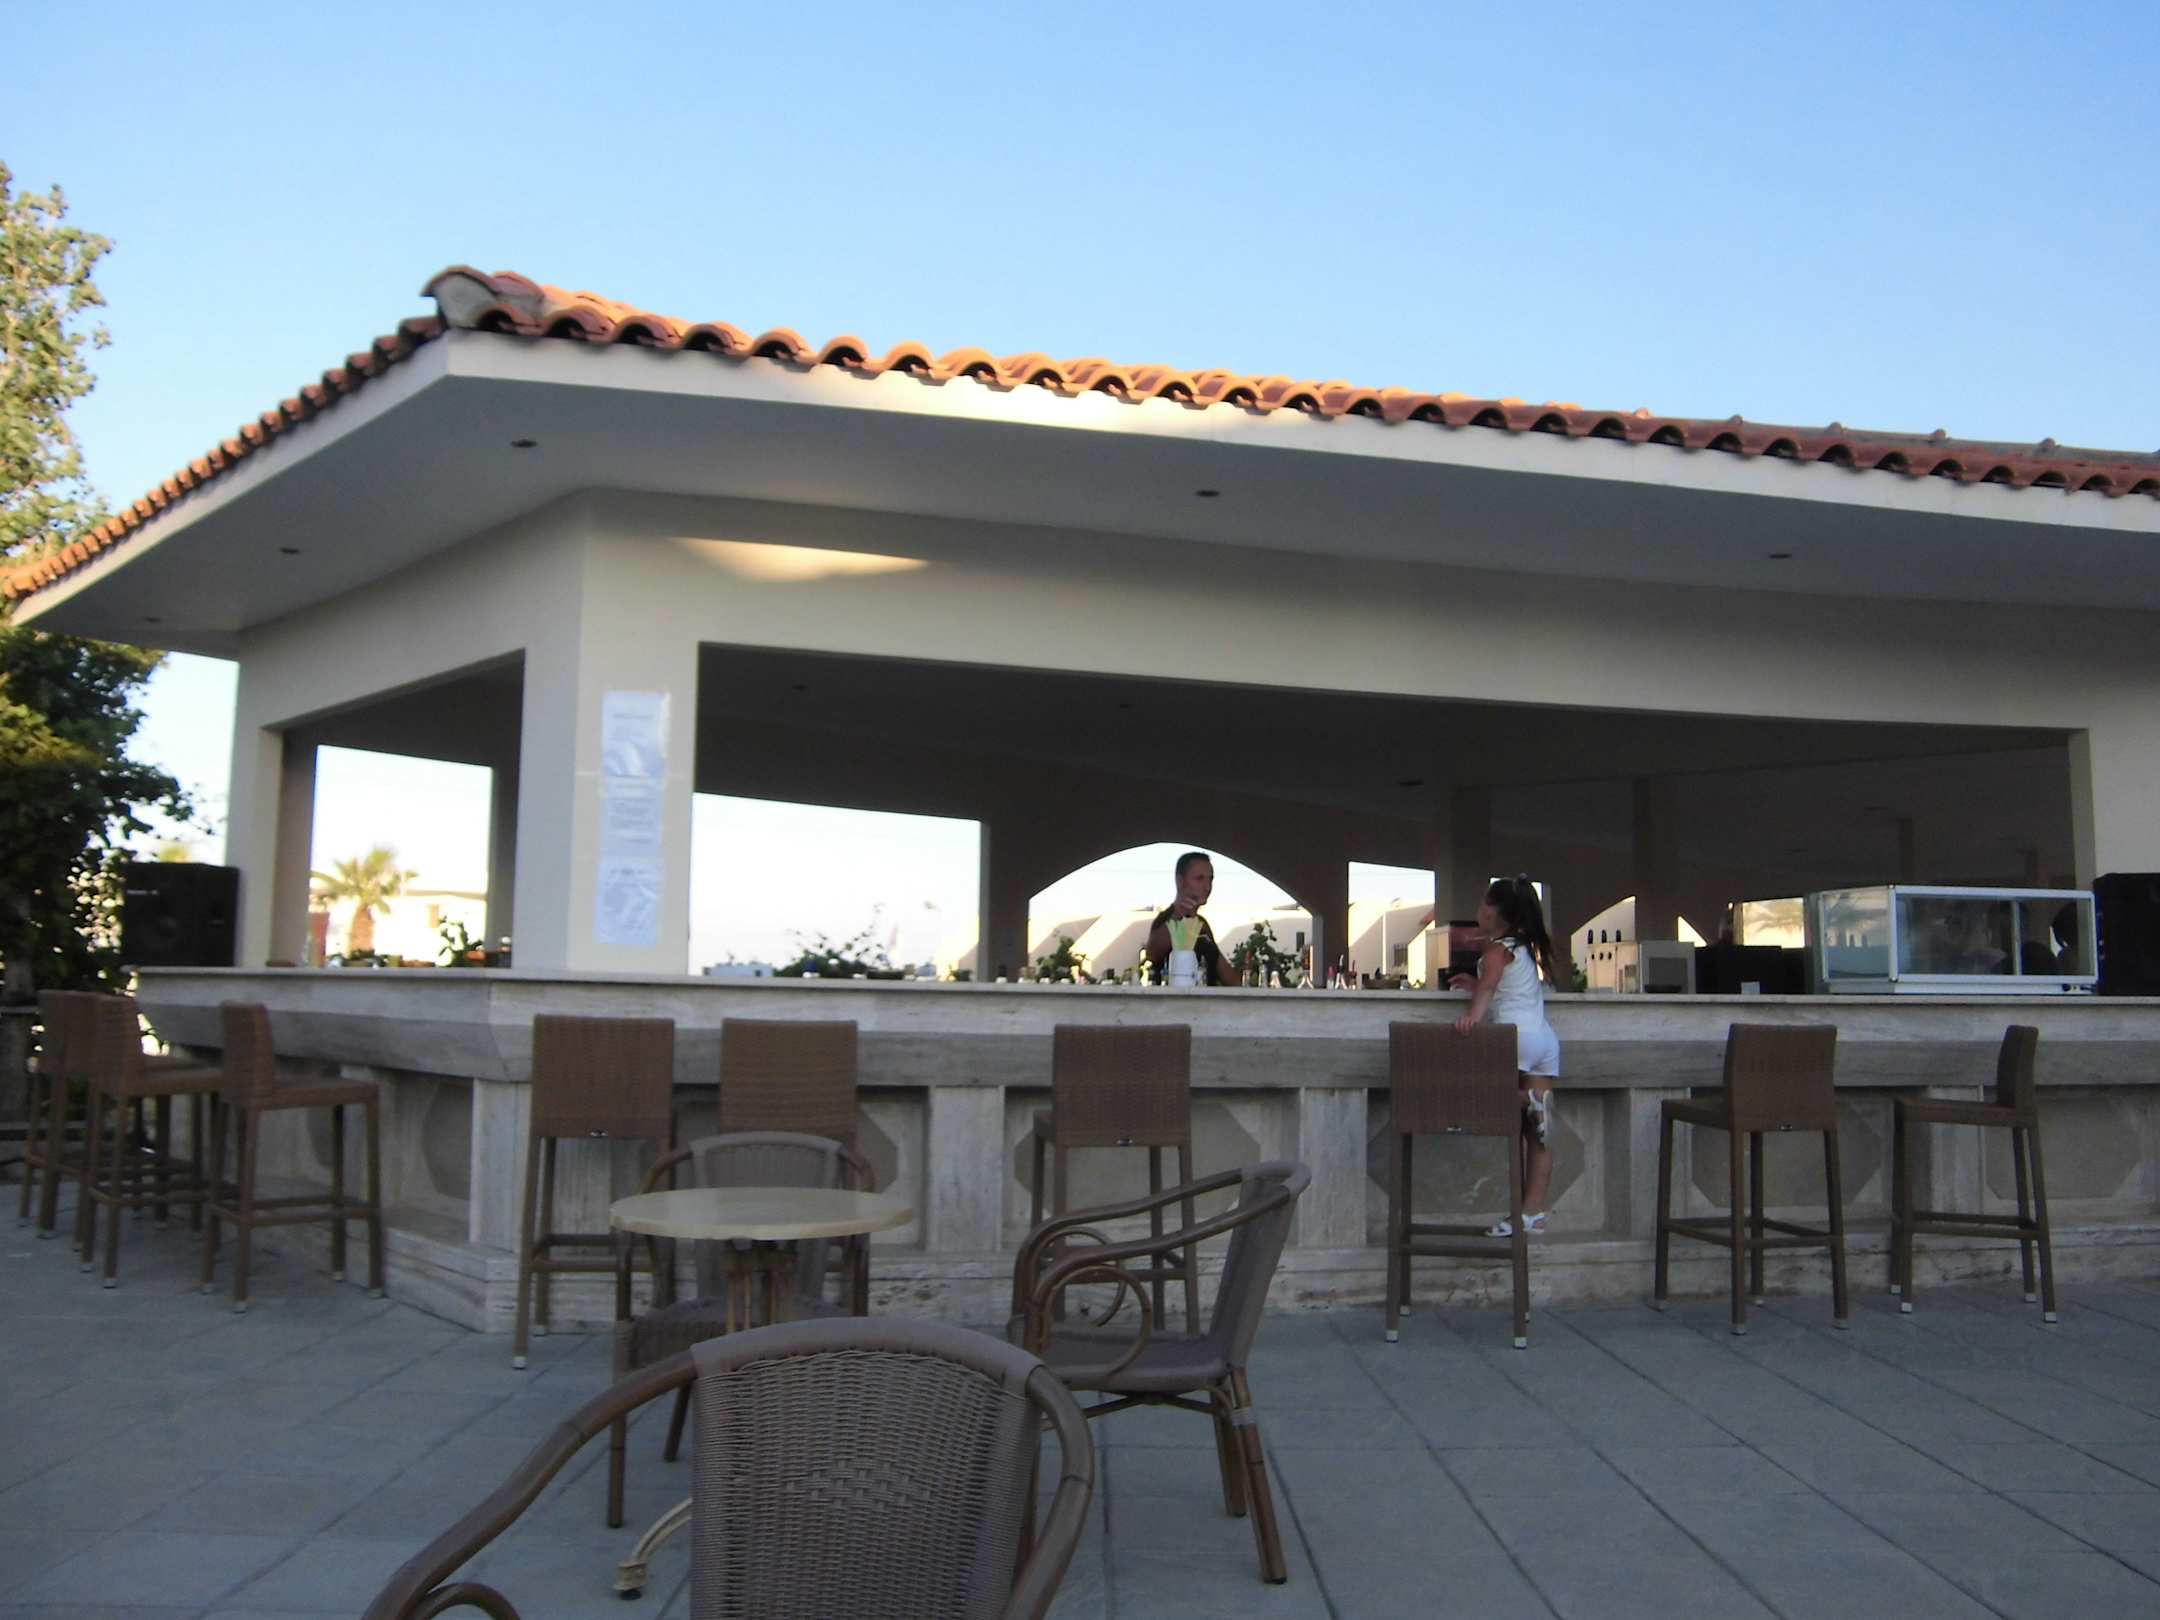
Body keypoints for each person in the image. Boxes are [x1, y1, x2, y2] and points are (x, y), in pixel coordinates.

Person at [1448, 876, 1561, 1235]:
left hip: (1514, 1038)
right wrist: (1474, 984)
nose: (1479, 908)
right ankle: (1533, 1212)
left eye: (1484, 901)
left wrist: (1472, 1017)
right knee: (1539, 1135)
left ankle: (1528, 1099)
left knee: (1479, 1097)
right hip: (1543, 1040)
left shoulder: (1495, 950)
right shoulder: (1523, 947)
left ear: (1493, 911)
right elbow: (1505, 987)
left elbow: (1490, 987)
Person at [1144, 851, 1240, 987]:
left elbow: (1230, 978)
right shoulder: (1166, 920)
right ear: (1180, 881)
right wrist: (1180, 913)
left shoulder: (1202, 924)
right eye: (1199, 878)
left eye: (1210, 879)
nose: (1207, 887)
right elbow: (1152, 954)